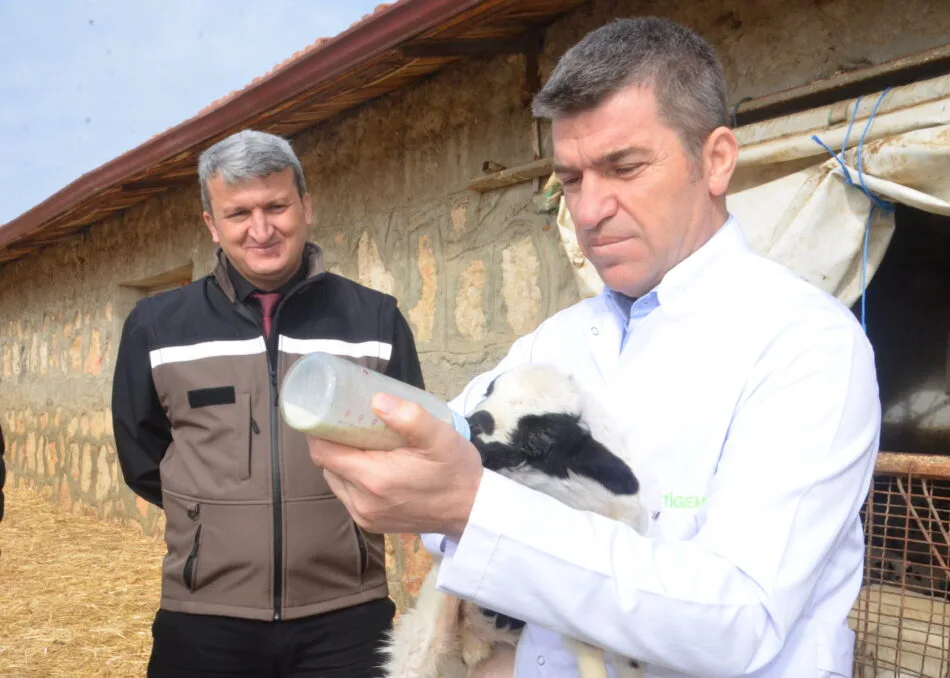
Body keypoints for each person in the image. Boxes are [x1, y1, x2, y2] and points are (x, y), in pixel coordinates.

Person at [307, 16, 881, 678]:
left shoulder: (806, 345)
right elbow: (445, 485)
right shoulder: (556, 341)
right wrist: (445, 502)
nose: (589, 209)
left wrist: (475, 509)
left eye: (624, 167)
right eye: (572, 178)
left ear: (716, 159)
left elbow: (739, 620)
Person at [111, 129, 425, 677]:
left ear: (306, 205)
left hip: (346, 616)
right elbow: (143, 456)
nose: (261, 229)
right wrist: (213, 521)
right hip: (204, 617)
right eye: (238, 214)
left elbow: (407, 442)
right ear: (212, 223)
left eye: (276, 205)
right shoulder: (157, 327)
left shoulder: (374, 320)